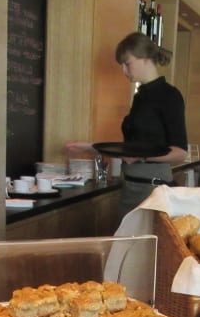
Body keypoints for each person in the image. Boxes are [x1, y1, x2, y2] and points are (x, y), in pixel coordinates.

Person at [67, 32, 188, 213]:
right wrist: (89, 147)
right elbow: (131, 148)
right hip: (130, 187)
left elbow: (180, 153)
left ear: (145, 58)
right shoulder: (140, 96)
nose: (124, 71)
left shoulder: (170, 95)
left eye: (127, 64)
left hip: (154, 190)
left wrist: (141, 157)